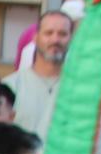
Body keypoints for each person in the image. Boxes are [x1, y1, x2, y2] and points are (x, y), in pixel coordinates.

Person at [5, 8, 73, 140]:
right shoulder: (11, 86)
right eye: (48, 33)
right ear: (35, 38)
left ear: (71, 39)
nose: (55, 40)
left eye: (62, 34)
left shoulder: (80, 89)